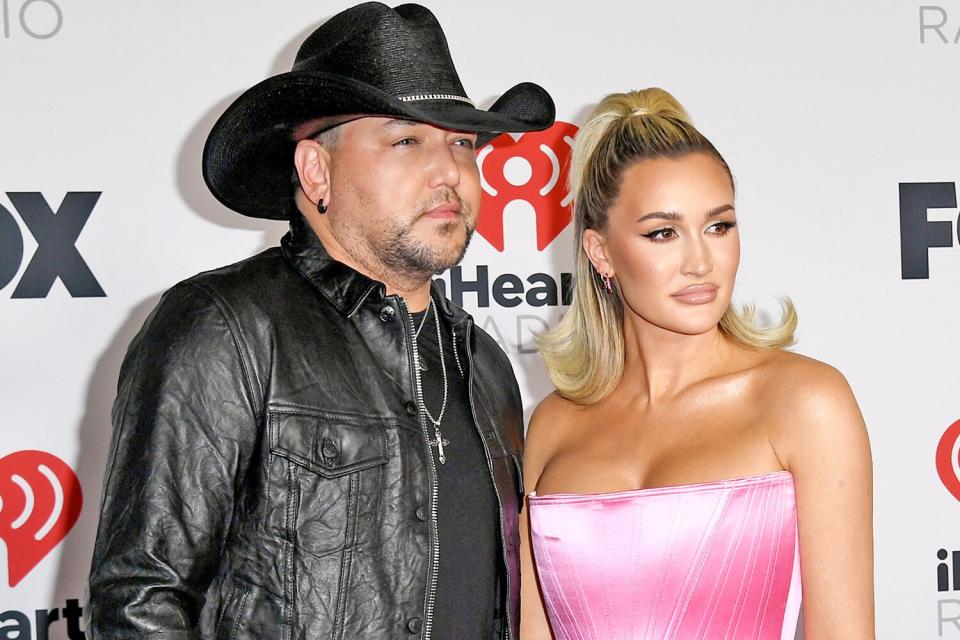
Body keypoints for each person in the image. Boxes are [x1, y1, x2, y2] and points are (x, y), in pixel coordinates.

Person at [86, 3, 554, 638]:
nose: (449, 172)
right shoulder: (225, 329)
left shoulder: (486, 366)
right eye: (406, 140)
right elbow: (143, 604)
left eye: (462, 144)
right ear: (316, 171)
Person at [519, 88, 874, 639]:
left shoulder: (803, 403)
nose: (701, 261)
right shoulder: (553, 424)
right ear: (601, 252)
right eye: (663, 232)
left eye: (719, 226)